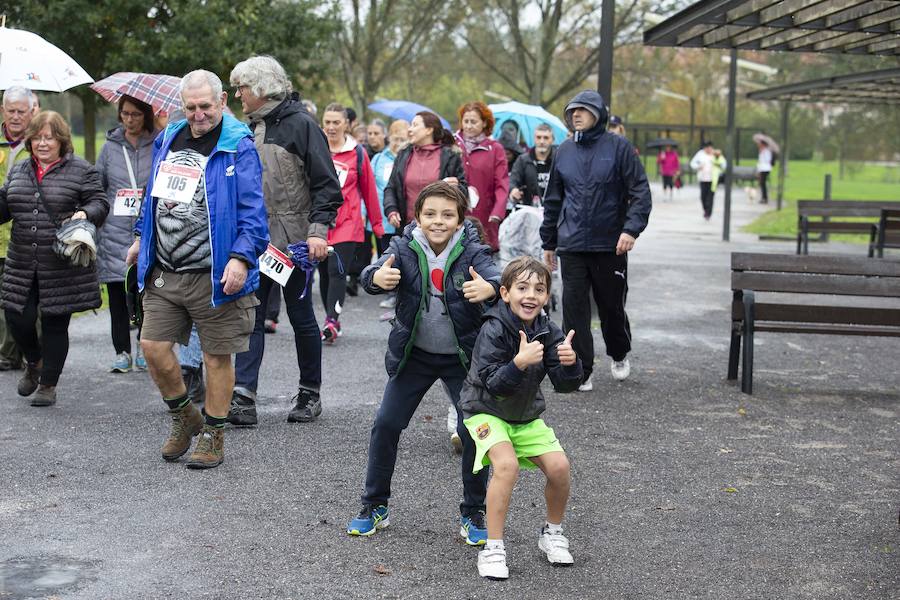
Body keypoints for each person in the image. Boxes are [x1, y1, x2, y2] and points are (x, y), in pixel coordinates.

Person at [125, 69, 268, 470]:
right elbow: (153, 195)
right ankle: (185, 415)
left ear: (222, 101)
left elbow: (254, 214)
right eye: (190, 107)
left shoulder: (238, 145)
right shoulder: (169, 137)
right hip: (167, 269)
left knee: (216, 356)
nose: (199, 115)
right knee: (153, 347)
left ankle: (213, 433)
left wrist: (240, 258)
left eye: (205, 106)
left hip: (215, 272)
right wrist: (141, 237)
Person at [346, 181, 500, 545]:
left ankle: (473, 510)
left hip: (461, 357)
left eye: (448, 215)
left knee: (472, 431)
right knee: (386, 423)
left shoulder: (473, 252)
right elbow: (371, 272)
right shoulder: (403, 246)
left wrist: (490, 289)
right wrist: (377, 278)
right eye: (430, 214)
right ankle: (375, 504)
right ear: (417, 217)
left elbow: (497, 277)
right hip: (414, 355)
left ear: (460, 219)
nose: (438, 221)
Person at [227, 55, 343, 426]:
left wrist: (317, 233)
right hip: (254, 242)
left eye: (242, 87)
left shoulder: (302, 126)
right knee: (251, 316)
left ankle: (310, 392)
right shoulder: (246, 129)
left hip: (293, 243)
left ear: (261, 89)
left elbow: (327, 186)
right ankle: (244, 395)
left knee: (300, 315)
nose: (237, 94)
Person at [459, 256, 582, 580]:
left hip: (524, 415)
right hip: (484, 410)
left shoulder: (547, 329)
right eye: (522, 287)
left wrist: (570, 363)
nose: (530, 295)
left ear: (546, 296)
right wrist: (519, 362)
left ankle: (552, 533)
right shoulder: (494, 328)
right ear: (505, 293)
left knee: (559, 467)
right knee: (506, 465)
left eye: (539, 289)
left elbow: (564, 384)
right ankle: (493, 547)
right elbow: (493, 384)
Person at [540, 90, 651, 390]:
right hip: (572, 244)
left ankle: (619, 352)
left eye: (583, 110)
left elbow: (640, 192)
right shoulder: (563, 151)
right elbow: (553, 200)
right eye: (571, 111)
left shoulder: (619, 148)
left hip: (610, 243)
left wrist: (630, 230)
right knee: (573, 308)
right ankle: (581, 370)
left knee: (610, 307)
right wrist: (549, 242)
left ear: (598, 114)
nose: (576, 115)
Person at [0, 110, 109, 406]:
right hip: (21, 262)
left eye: (49, 137)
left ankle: (48, 384)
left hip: (61, 263)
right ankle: (34, 362)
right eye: (37, 137)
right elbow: (5, 208)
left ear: (61, 140)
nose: (43, 143)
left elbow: (100, 202)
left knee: (55, 324)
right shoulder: (19, 170)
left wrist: (86, 213)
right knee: (16, 318)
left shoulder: (81, 170)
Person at [95, 95, 156, 373]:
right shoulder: (109, 148)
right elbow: (98, 187)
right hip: (114, 230)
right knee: (118, 296)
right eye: (124, 114)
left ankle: (145, 346)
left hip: (146, 231)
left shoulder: (158, 144)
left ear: (146, 115)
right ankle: (121, 351)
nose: (129, 120)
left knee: (146, 294)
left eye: (135, 114)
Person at [320, 103, 384, 343]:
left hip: (347, 224)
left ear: (347, 124)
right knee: (324, 274)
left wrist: (378, 227)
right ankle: (331, 316)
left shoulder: (357, 152)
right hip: (319, 223)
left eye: (336, 122)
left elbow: (369, 191)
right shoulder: (316, 147)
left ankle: (331, 321)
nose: (331, 127)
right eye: (327, 122)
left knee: (337, 272)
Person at [0, 86, 37, 371]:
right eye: (10, 110)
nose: (14, 116)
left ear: (31, 112)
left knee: (23, 300)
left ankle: (30, 353)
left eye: (20, 111)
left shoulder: (40, 143)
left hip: (26, 237)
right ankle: (7, 353)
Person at [383, 112, 467, 232]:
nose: (409, 130)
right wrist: (391, 210)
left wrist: (456, 187)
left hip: (439, 230)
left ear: (429, 130)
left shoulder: (450, 157)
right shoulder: (403, 154)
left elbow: (463, 192)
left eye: (415, 125)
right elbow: (391, 187)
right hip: (407, 229)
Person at [455, 102, 509, 251]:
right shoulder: (453, 146)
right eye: (466, 121)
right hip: (456, 213)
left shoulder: (495, 149)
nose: (468, 126)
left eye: (473, 121)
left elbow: (502, 184)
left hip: (485, 215)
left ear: (484, 123)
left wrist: (497, 212)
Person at [369, 119, 407, 313]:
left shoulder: (408, 157)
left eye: (402, 138)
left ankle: (399, 292)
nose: (398, 142)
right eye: (395, 137)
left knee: (403, 254)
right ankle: (389, 291)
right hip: (383, 217)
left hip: (402, 216)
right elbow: (371, 188)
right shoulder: (378, 159)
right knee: (386, 253)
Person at [509, 123, 556, 207]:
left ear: (552, 140)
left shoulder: (559, 160)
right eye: (538, 137)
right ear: (534, 139)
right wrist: (513, 190)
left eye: (546, 138)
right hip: (529, 210)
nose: (542, 141)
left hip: (553, 211)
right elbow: (512, 180)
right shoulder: (523, 160)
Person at [689, 141, 727, 220]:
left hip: (713, 179)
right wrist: (698, 166)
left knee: (710, 197)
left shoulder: (716, 154)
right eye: (707, 148)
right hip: (703, 178)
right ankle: (706, 209)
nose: (708, 150)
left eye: (710, 148)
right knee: (703, 197)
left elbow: (724, 164)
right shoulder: (700, 154)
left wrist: (717, 162)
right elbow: (692, 163)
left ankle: (708, 213)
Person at [756, 138, 773, 204]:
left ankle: (765, 198)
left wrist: (762, 153)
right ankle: (763, 197)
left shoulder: (767, 151)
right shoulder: (762, 151)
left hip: (765, 169)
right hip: (762, 168)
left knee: (763, 183)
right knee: (762, 184)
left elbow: (767, 160)